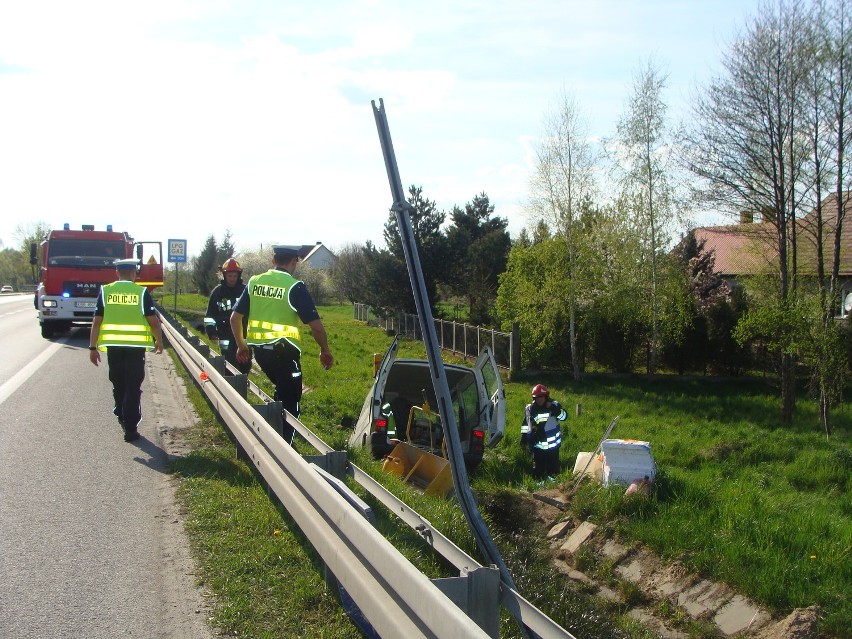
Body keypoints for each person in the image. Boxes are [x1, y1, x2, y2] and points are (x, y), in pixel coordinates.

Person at [230, 244, 334, 444]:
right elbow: (317, 328)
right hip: (284, 354)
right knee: (291, 401)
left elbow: (235, 318)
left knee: (281, 392)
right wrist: (324, 350)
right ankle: (285, 447)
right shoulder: (295, 287)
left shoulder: (254, 282)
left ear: (273, 262)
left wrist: (242, 345)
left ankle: (274, 435)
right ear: (294, 262)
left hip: (260, 353)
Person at [88, 258, 164, 442]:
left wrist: (92, 347)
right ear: (134, 273)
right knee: (133, 387)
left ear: (117, 273)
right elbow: (153, 321)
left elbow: (97, 321)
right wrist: (159, 341)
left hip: (114, 348)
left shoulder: (106, 291)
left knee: (119, 384)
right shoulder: (141, 292)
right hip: (135, 349)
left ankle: (120, 412)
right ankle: (130, 428)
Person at [204, 257, 252, 374]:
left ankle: (241, 386)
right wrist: (212, 332)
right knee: (229, 364)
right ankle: (231, 386)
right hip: (225, 336)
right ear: (224, 276)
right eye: (230, 276)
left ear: (238, 275)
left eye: (234, 276)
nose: (232, 279)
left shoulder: (245, 291)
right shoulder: (218, 292)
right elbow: (210, 315)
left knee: (245, 365)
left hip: (244, 335)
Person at [520, 383, 567, 480]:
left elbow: (564, 417)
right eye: (537, 397)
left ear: (546, 396)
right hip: (539, 445)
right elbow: (526, 425)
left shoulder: (554, 405)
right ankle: (538, 487)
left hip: (553, 446)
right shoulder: (530, 409)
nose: (539, 399)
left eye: (541, 397)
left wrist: (557, 411)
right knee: (538, 469)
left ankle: (554, 488)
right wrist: (524, 438)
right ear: (534, 398)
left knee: (553, 468)